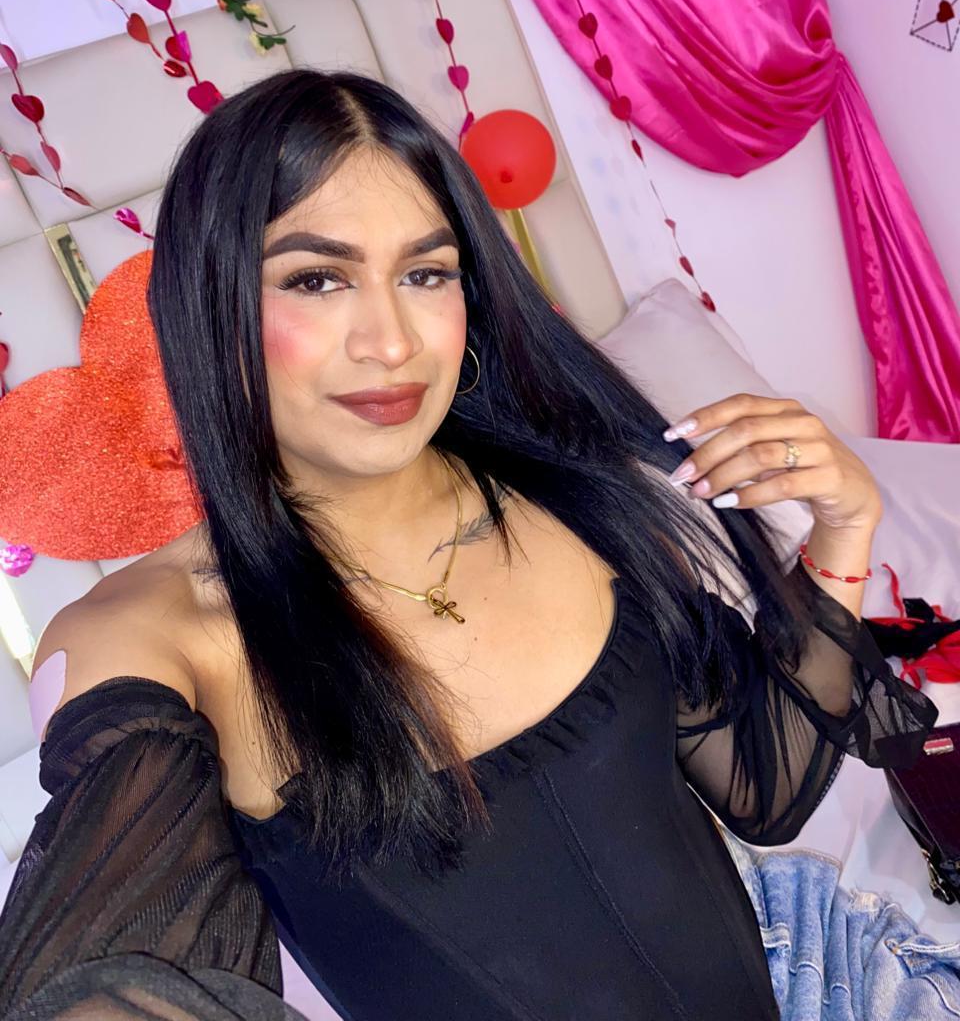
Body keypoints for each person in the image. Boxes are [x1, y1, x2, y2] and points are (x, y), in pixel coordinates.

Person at [0, 69, 943, 1021]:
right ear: (212, 310)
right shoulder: (153, 638)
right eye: (317, 279)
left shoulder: (569, 489)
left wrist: (844, 527)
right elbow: (99, 972)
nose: (391, 341)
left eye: (425, 274)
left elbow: (762, 787)